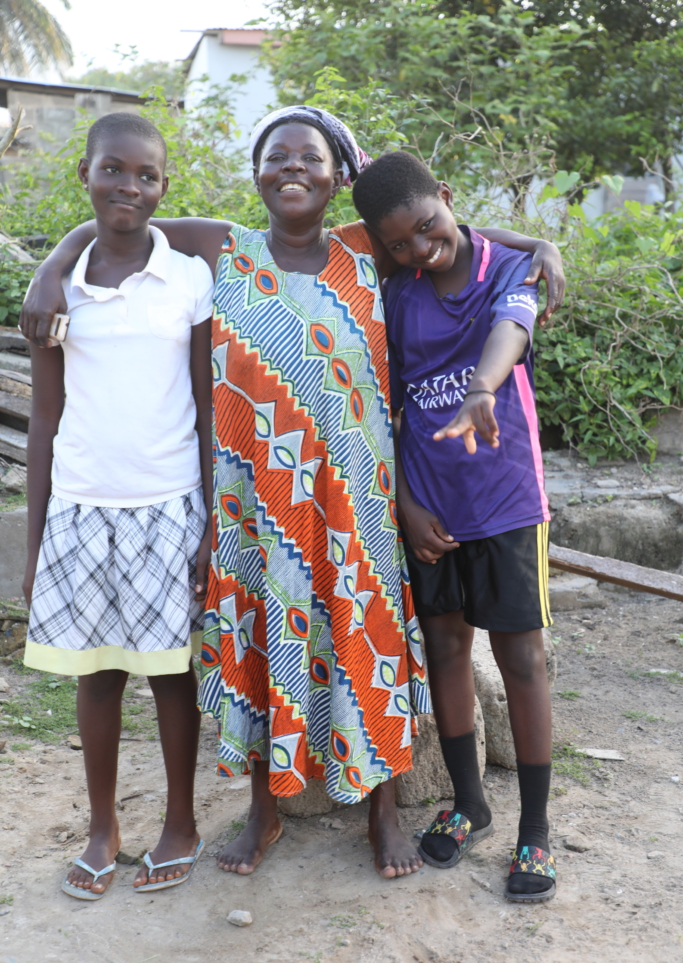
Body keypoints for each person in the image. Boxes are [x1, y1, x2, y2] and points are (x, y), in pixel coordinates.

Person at [21, 106, 564, 881]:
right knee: (260, 649)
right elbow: (122, 218)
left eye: (309, 158)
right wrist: (54, 262)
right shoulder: (222, 250)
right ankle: (264, 811)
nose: (292, 169)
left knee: (362, 643)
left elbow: (445, 230)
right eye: (276, 157)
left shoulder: (367, 251)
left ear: (338, 177)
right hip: (257, 508)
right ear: (256, 173)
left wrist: (533, 245)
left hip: (358, 505)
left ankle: (380, 812)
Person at [352, 150, 557, 902]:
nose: (418, 250)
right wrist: (405, 505)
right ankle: (469, 803)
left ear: (447, 197)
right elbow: (388, 405)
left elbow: (511, 325)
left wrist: (481, 388)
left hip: (504, 501)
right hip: (429, 507)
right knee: (444, 644)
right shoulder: (397, 293)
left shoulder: (507, 268)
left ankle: (534, 830)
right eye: (398, 244)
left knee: (522, 659)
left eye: (429, 229)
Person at [22, 112, 214, 899]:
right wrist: (35, 545)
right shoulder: (59, 291)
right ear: (86, 175)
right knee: (96, 676)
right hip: (79, 506)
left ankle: (180, 820)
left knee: (171, 675)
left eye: (145, 175)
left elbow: (205, 408)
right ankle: (102, 826)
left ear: (163, 187)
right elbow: (43, 417)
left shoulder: (189, 278)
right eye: (112, 171)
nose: (127, 186)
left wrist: (209, 521)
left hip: (167, 504)